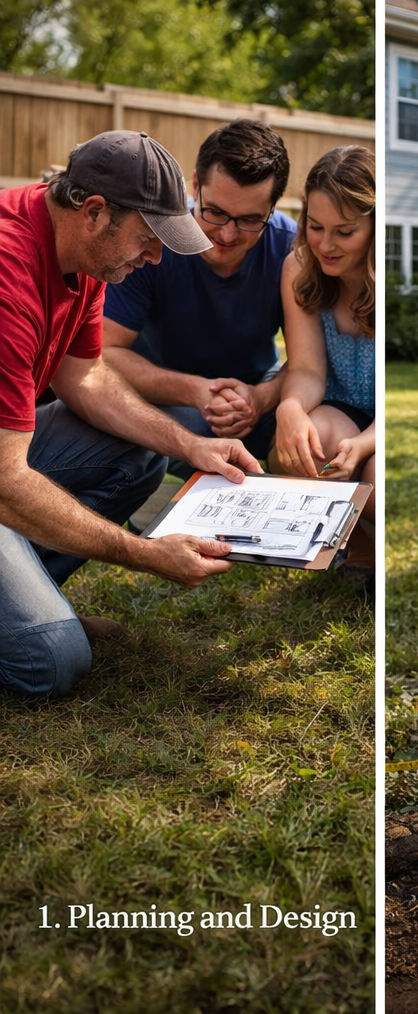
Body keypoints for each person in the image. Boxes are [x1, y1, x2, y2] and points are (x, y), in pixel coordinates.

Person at [0, 130, 263, 695]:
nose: (155, 257)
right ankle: (32, 628)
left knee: (142, 448)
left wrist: (190, 446)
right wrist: (146, 554)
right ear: (94, 212)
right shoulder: (8, 275)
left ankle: (30, 603)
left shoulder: (85, 257)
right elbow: (5, 481)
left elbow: (85, 375)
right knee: (51, 663)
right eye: (147, 238)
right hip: (2, 471)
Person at [101, 119, 295, 479]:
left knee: (311, 428)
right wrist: (195, 391)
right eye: (216, 212)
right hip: (169, 398)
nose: (228, 233)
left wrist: (261, 399)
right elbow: (106, 353)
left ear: (273, 208)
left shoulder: (291, 247)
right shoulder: (149, 238)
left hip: (260, 391)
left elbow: (308, 361)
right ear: (194, 186)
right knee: (185, 430)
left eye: (251, 220)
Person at [268, 145, 375, 564]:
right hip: (340, 412)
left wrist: (367, 443)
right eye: (315, 226)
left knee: (375, 481)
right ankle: (356, 552)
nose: (325, 245)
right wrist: (290, 407)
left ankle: (374, 552)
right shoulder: (299, 268)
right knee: (301, 446)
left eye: (344, 232)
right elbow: (308, 368)